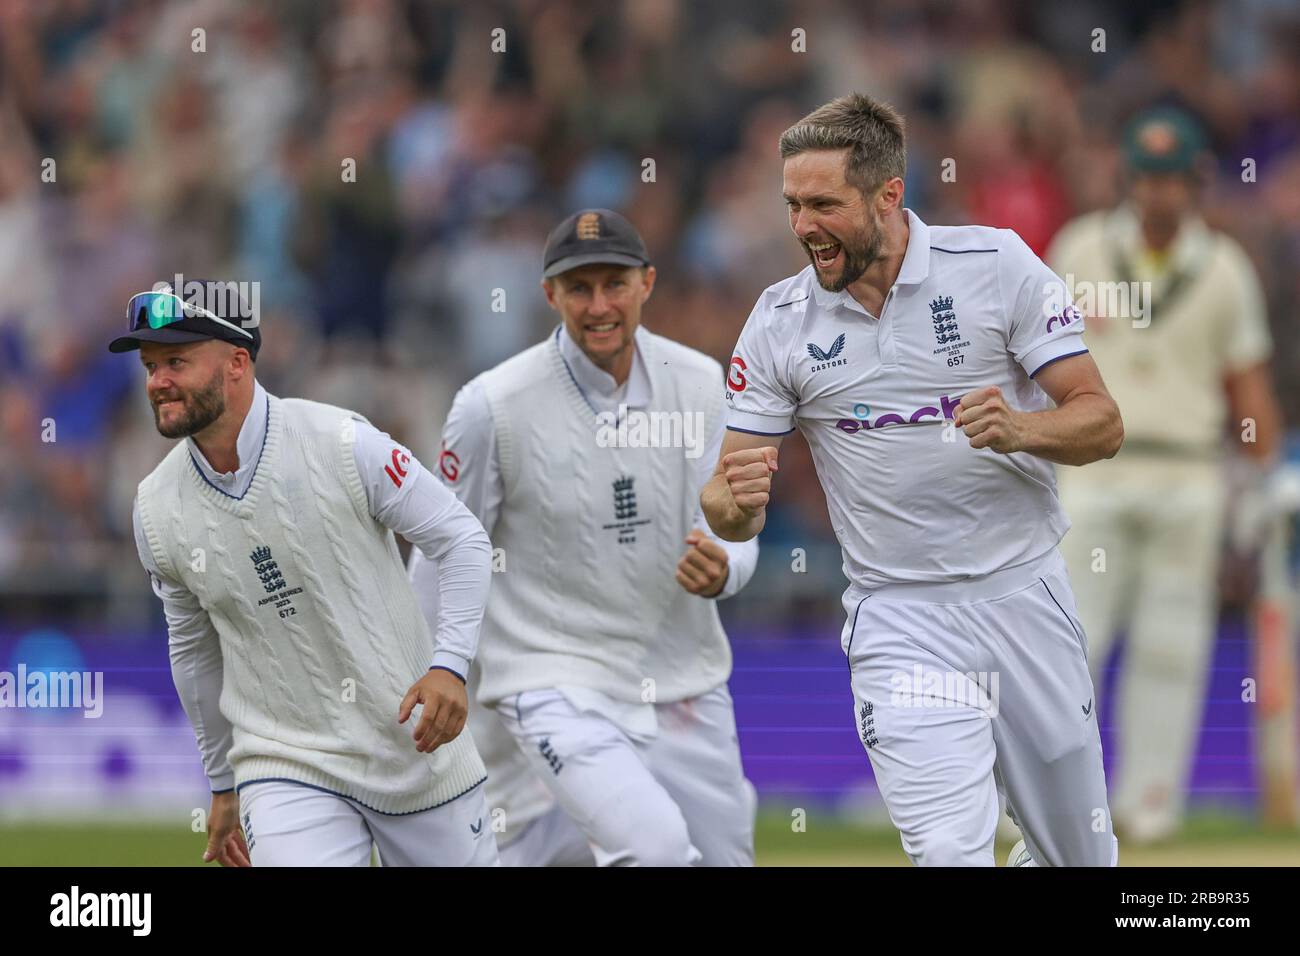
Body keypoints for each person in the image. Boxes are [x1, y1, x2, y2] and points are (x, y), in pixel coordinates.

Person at [702, 93, 1124, 867]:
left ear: (889, 194)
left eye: (824, 204)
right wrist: (733, 510)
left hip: (1022, 593)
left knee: (1082, 858)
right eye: (792, 205)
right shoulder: (777, 320)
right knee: (948, 853)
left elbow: (1102, 422)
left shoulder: (995, 265)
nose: (803, 228)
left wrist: (1022, 429)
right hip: (899, 618)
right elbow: (727, 502)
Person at [409, 209, 759, 866]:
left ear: (647, 283)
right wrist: (432, 668)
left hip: (684, 677)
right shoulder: (492, 406)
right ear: (550, 294)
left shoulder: (699, 382)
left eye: (615, 284)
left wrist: (730, 568)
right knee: (652, 851)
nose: (599, 306)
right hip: (551, 679)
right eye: (579, 288)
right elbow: (447, 548)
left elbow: (733, 517)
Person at [117, 281, 497, 866]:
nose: (157, 381)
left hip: (414, 749)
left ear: (237, 362)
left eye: (176, 362)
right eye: (150, 367)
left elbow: (462, 539)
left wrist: (449, 667)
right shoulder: (154, 507)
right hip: (286, 764)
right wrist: (221, 782)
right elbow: (193, 650)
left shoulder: (342, 441)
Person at [1046, 107, 1283, 843]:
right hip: (1090, 467)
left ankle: (1148, 809)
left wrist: (1262, 479)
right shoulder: (1080, 247)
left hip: (1189, 472)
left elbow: (1248, 387)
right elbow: (1034, 360)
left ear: (1197, 182)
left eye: (1172, 180)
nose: (1159, 194)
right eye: (1147, 179)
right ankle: (1046, 804)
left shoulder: (1222, 267)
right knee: (1067, 641)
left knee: (1171, 649)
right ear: (1128, 179)